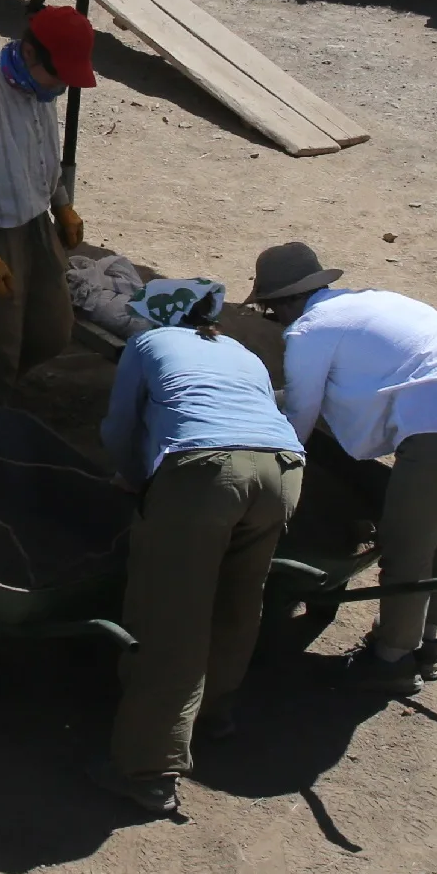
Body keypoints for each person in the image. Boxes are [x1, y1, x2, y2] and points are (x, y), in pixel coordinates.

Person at [248, 241, 437, 696]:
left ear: (282, 302)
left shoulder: (309, 330)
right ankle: (427, 643)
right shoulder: (373, 301)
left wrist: (270, 475)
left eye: (270, 310)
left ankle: (390, 662)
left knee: (406, 548)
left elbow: (299, 420)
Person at [94, 279, 306, 818]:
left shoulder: (148, 345)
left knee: (171, 616)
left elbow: (121, 426)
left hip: (207, 472)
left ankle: (150, 769)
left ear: (158, 317)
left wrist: (134, 479)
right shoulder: (242, 351)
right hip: (284, 469)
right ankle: (214, 713)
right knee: (239, 598)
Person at [0, 0, 98, 406]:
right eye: (57, 75)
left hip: (34, 224)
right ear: (29, 52)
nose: (60, 86)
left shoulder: (38, 89)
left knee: (52, 332)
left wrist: (61, 204)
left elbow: (46, 154)